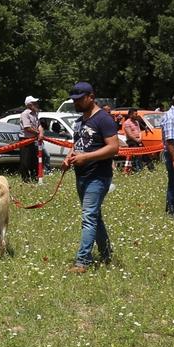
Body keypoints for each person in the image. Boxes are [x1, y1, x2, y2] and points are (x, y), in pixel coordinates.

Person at [64, 82, 119, 273]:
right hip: (81, 176)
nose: (76, 103)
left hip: (98, 177)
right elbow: (77, 144)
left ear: (91, 96)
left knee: (88, 218)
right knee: (95, 217)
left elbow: (114, 147)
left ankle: (82, 262)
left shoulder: (104, 119)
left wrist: (86, 157)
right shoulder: (80, 121)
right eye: (74, 100)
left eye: (80, 99)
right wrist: (69, 157)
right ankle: (106, 254)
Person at [19, 95, 43, 182]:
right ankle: (25, 179)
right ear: (29, 105)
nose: (36, 104)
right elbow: (27, 128)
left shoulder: (35, 114)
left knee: (34, 160)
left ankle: (35, 177)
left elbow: (39, 125)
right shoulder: (25, 114)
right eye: (34, 103)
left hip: (33, 140)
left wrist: (40, 133)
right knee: (25, 161)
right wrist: (38, 133)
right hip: (25, 140)